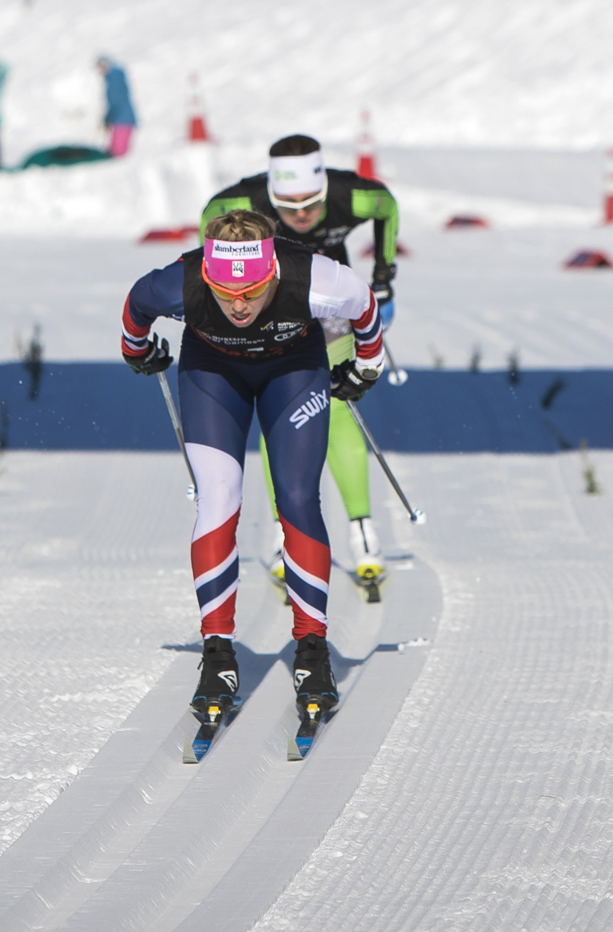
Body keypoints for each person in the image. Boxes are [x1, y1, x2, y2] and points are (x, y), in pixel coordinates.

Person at [120, 209, 385, 729]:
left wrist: (366, 366)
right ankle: (217, 653)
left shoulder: (314, 276)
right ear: (207, 275)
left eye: (253, 291)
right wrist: (138, 351)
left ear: (272, 273)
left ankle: (312, 651)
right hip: (213, 373)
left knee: (297, 498)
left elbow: (365, 306)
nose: (238, 304)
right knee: (218, 500)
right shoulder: (180, 282)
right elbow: (136, 305)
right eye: (224, 293)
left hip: (294, 370)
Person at [202, 135, 401, 594]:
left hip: (330, 305)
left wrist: (383, 277)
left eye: (311, 203)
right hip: (269, 311)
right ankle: (281, 533)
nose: (302, 215)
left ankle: (362, 531)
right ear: (270, 195)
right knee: (281, 414)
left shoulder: (353, 195)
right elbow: (207, 223)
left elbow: (387, 207)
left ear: (325, 189)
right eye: (288, 206)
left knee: (337, 409)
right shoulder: (240, 202)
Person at [98, 56, 137, 157]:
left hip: (122, 120)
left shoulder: (114, 80)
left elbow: (117, 102)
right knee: (116, 151)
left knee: (118, 153)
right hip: (121, 119)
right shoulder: (113, 79)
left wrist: (110, 117)